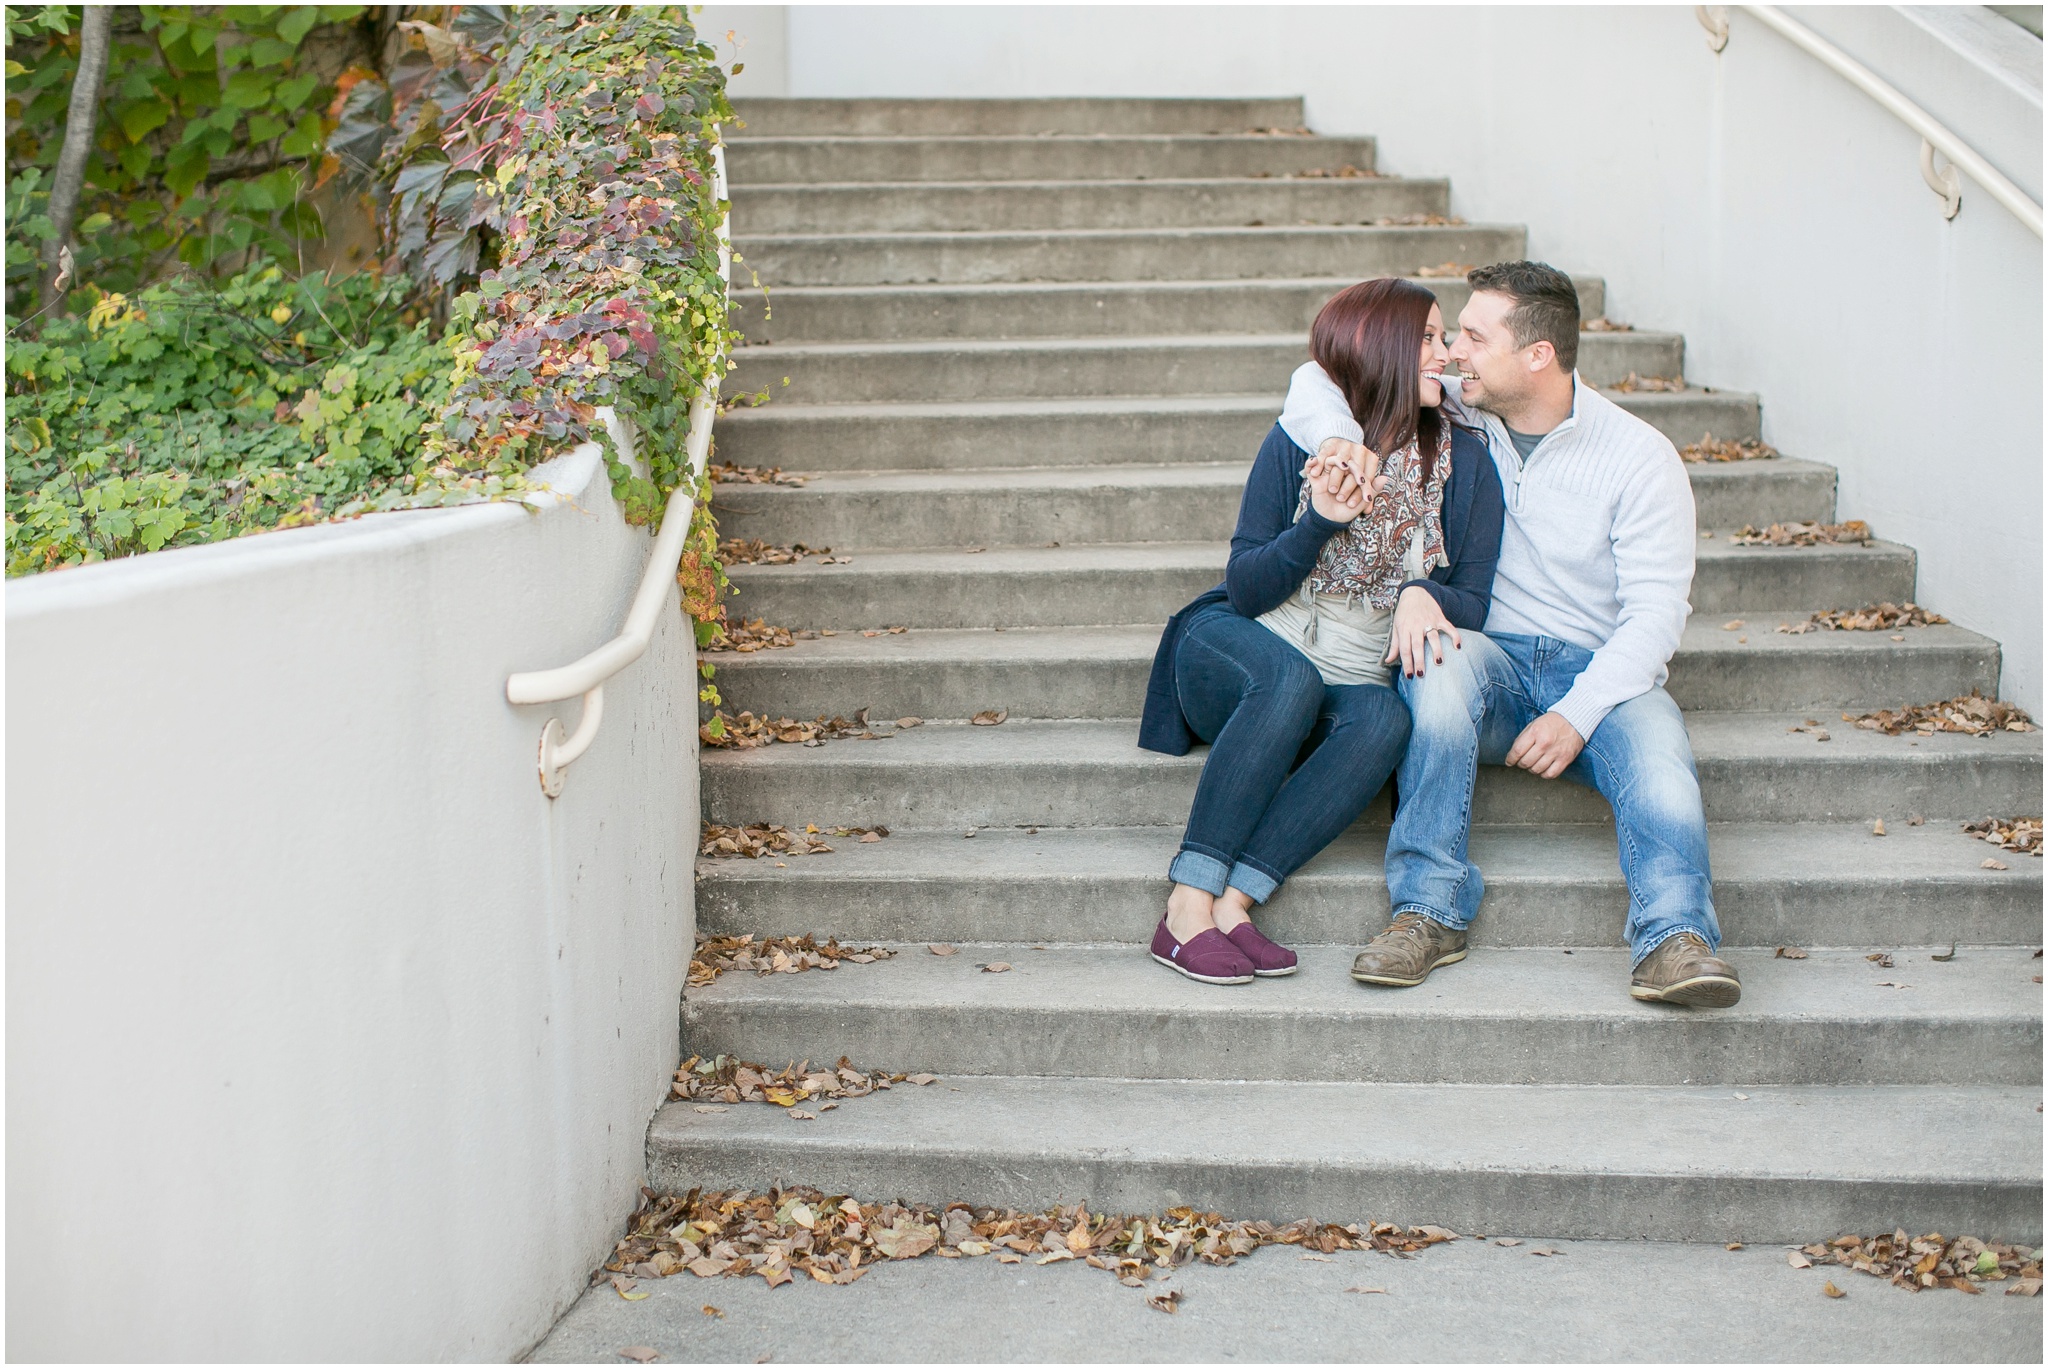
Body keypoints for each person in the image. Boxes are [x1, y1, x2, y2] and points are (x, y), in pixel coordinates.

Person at [1281, 260, 1739, 1007]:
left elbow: (1655, 617)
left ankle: (1674, 939)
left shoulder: (1639, 457)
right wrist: (1412, 580)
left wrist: (1577, 713)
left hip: (1599, 674)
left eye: (1473, 335)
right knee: (1434, 668)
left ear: (1538, 356)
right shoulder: (1462, 415)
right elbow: (1314, 378)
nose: (1454, 351)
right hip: (1486, 655)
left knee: (1660, 749)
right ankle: (1426, 910)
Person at [1139, 277, 1505, 985]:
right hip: (1242, 648)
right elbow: (1245, 585)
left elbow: (1476, 599)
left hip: (1349, 668)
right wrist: (1320, 522)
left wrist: (1424, 595)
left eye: (1443, 337)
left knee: (1378, 720)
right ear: (1384, 350)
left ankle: (1234, 905)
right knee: (1288, 679)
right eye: (1427, 338)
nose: (1445, 353)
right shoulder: (1304, 437)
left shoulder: (1466, 464)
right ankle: (1186, 907)